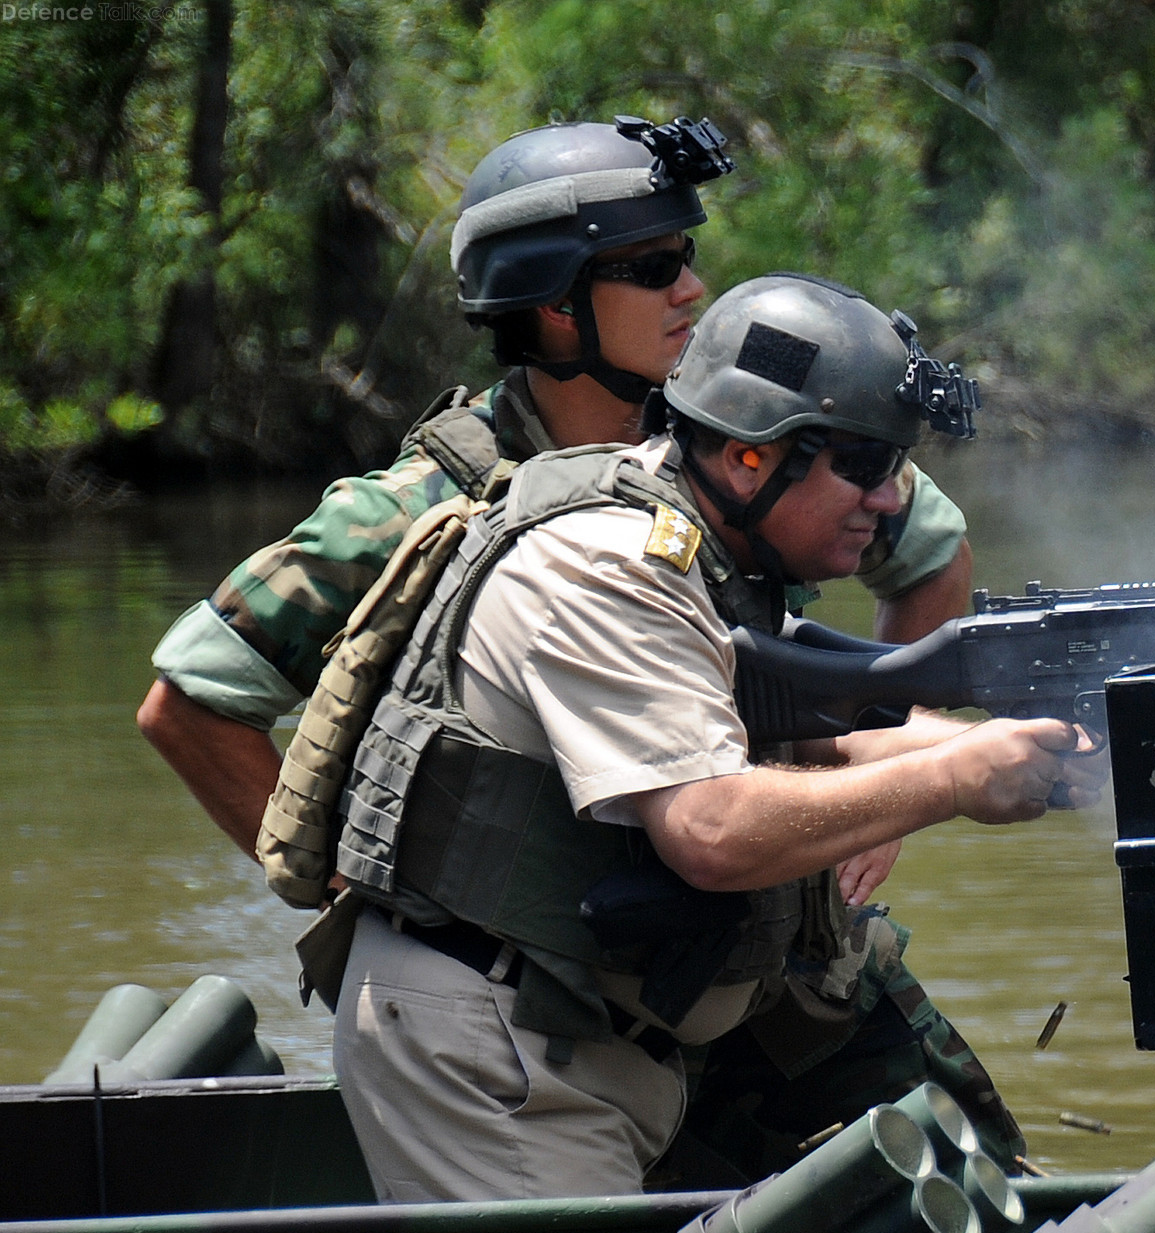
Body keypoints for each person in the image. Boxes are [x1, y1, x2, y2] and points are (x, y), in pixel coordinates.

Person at [325, 272, 1099, 1203]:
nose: (891, 500)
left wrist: (1011, 748)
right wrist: (956, 781)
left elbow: (810, 748)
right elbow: (713, 827)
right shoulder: (612, 565)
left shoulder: (713, 550)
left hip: (583, 1040)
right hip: (497, 1056)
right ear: (745, 458)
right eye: (862, 463)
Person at [139, 116, 972, 909]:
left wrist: (858, 793)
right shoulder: (424, 507)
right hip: (554, 948)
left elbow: (930, 550)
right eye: (651, 269)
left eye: (686, 257)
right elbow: (189, 701)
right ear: (554, 302)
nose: (693, 290)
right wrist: (346, 898)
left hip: (737, 892)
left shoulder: (747, 453)